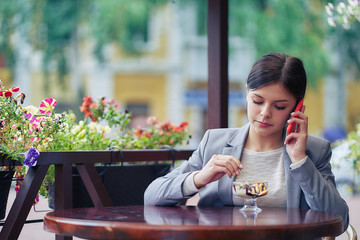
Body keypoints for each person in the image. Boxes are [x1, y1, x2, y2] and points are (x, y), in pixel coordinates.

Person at [144, 52, 349, 231]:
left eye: (279, 106)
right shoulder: (214, 142)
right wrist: (199, 178)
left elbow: (340, 219)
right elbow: (151, 196)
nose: (265, 113)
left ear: (298, 107)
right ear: (247, 94)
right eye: (257, 101)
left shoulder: (314, 151)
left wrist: (300, 161)